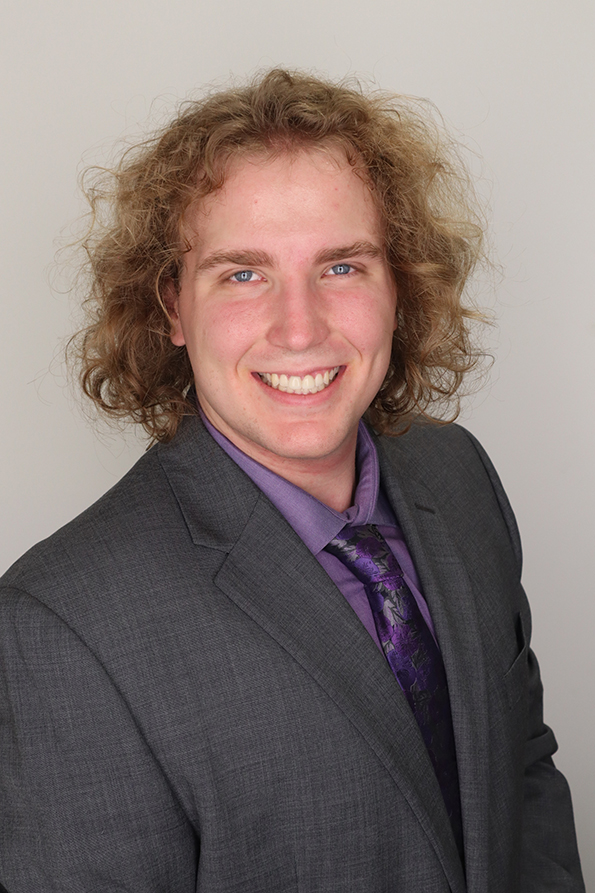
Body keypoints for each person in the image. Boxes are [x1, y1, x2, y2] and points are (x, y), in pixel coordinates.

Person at [0, 69, 584, 893]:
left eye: (342, 266)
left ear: (397, 286)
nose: (300, 326)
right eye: (242, 273)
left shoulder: (458, 477)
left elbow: (520, 768)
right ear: (172, 305)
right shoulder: (62, 627)